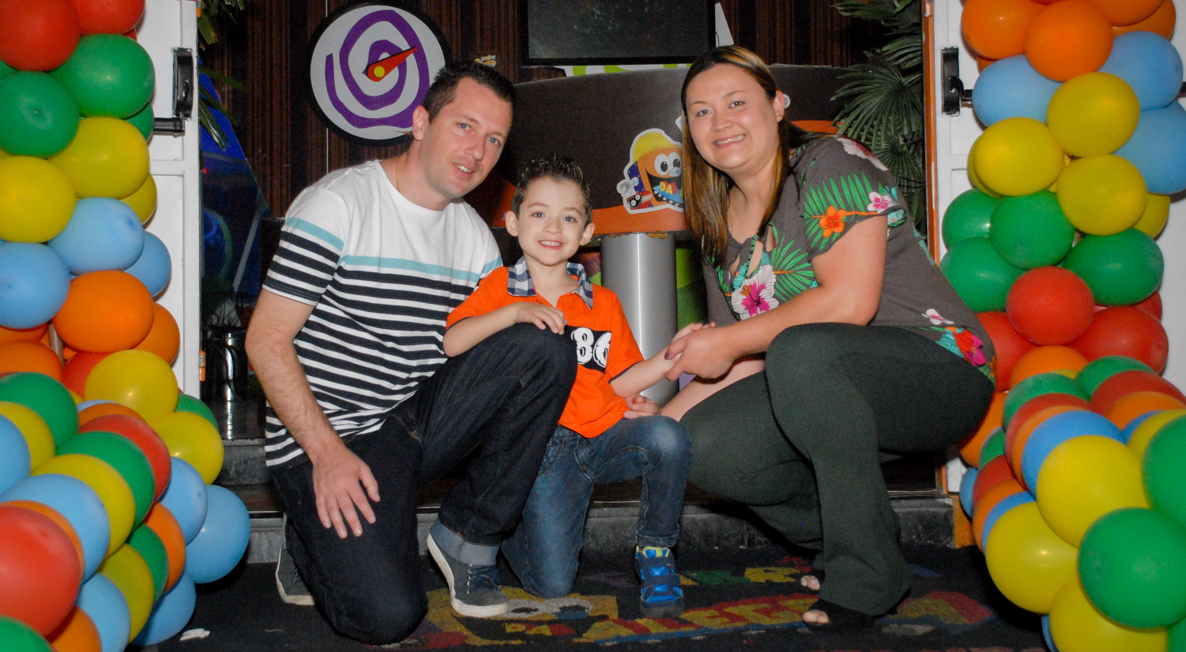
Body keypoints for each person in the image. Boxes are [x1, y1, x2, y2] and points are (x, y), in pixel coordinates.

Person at [659, 46, 995, 632]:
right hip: (817, 378)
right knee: (702, 445)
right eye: (703, 112)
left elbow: (847, 302)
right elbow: (739, 358)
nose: (722, 121)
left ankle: (866, 574)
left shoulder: (829, 163)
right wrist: (659, 429)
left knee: (804, 347)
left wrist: (731, 343)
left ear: (778, 104)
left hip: (938, 371)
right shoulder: (715, 214)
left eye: (737, 102)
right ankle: (856, 537)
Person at [245, 62, 579, 645]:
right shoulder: (339, 204)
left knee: (541, 344)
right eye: (465, 126)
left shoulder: (474, 235)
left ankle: (467, 537)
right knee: (387, 616)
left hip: (410, 423)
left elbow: (489, 365)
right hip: (326, 435)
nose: (477, 152)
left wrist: (621, 397)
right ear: (421, 121)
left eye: (494, 140)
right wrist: (325, 455)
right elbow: (265, 341)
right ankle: (308, 538)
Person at [444, 157, 696, 618]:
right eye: (538, 213)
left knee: (668, 435)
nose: (552, 227)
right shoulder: (501, 287)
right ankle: (504, 531)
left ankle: (657, 553)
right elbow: (453, 341)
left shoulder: (604, 301)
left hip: (601, 437)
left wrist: (670, 358)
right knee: (552, 585)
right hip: (538, 452)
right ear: (513, 223)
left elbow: (620, 380)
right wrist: (513, 314)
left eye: (568, 217)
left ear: (586, 232)